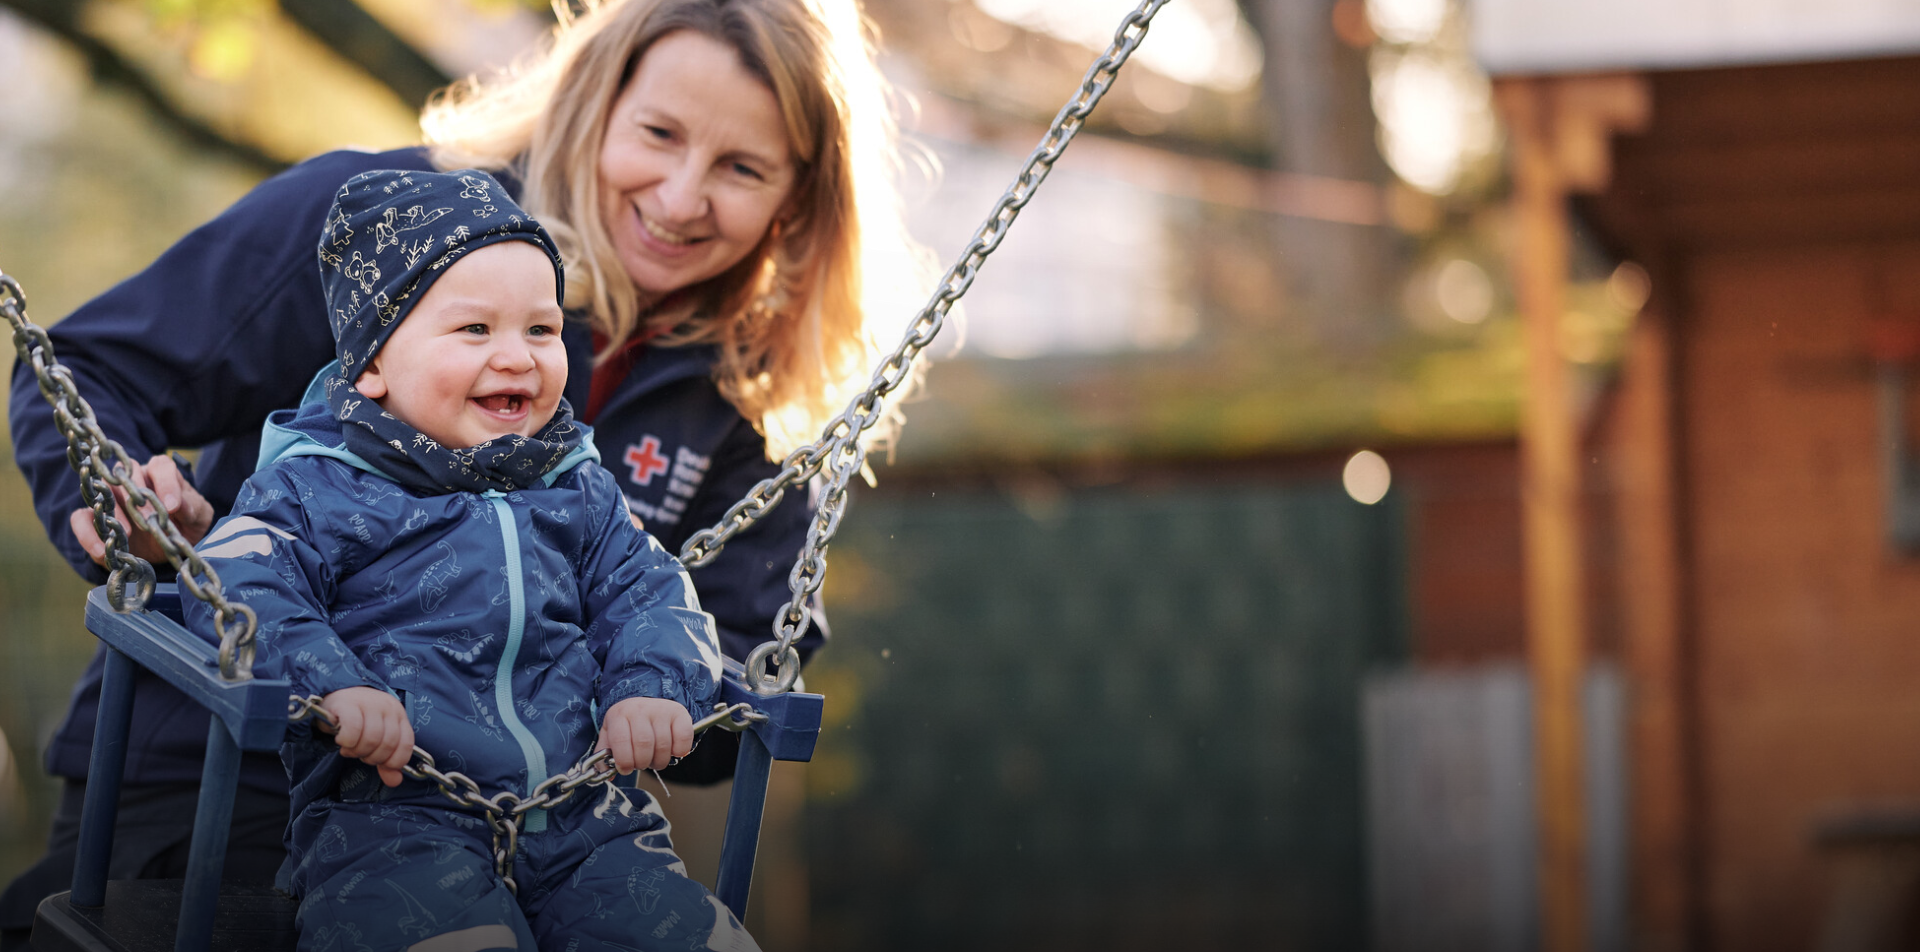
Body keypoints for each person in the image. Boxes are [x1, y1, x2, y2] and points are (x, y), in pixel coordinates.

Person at [1, 0, 928, 944]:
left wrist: (654, 681)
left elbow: (730, 652)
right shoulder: (381, 236)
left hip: (546, 820)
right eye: (659, 133)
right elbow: (86, 372)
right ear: (592, 106)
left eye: (742, 167)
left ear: (798, 197)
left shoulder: (748, 391)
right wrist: (121, 499)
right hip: (228, 777)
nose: (684, 196)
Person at [177, 167, 752, 951]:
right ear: (373, 365)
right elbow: (236, 582)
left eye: (540, 330)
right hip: (394, 821)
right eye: (476, 330)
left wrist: (650, 688)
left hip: (588, 820)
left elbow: (651, 590)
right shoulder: (316, 486)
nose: (517, 357)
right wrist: (335, 683)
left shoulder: (574, 486)